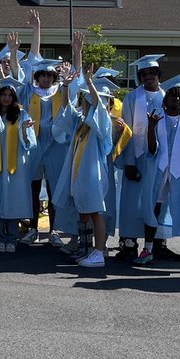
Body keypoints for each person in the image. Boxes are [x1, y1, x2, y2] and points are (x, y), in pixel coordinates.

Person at [132, 75, 180, 273]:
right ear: (166, 99)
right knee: (153, 209)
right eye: (173, 96)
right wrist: (150, 129)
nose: (176, 100)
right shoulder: (158, 120)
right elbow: (152, 150)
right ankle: (147, 250)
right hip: (159, 171)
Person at [50, 65, 114, 268]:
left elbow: (99, 108)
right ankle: (85, 249)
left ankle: (99, 252)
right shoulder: (80, 123)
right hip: (79, 177)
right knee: (84, 213)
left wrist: (91, 84)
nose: (84, 105)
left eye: (86, 102)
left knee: (95, 212)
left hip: (93, 177)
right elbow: (65, 110)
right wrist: (66, 87)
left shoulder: (100, 127)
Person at [118, 53, 174, 260]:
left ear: (159, 75)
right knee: (133, 201)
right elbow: (128, 134)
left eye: (152, 73)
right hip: (138, 157)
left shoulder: (167, 97)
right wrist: (130, 163)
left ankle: (159, 243)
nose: (148, 76)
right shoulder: (132, 98)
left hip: (161, 160)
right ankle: (129, 244)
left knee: (159, 201)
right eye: (144, 73)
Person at [20, 57, 71, 246]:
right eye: (43, 75)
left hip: (56, 144)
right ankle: (33, 229)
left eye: (50, 75)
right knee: (32, 189)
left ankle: (54, 230)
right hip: (34, 144)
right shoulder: (30, 92)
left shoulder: (60, 92)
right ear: (37, 76)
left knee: (54, 189)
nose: (47, 78)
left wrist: (76, 54)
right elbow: (20, 77)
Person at [0, 76, 36, 252]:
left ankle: (12, 237)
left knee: (13, 200)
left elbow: (30, 143)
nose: (6, 98)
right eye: (3, 94)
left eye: (10, 94)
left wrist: (24, 131)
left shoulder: (23, 114)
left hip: (16, 165)